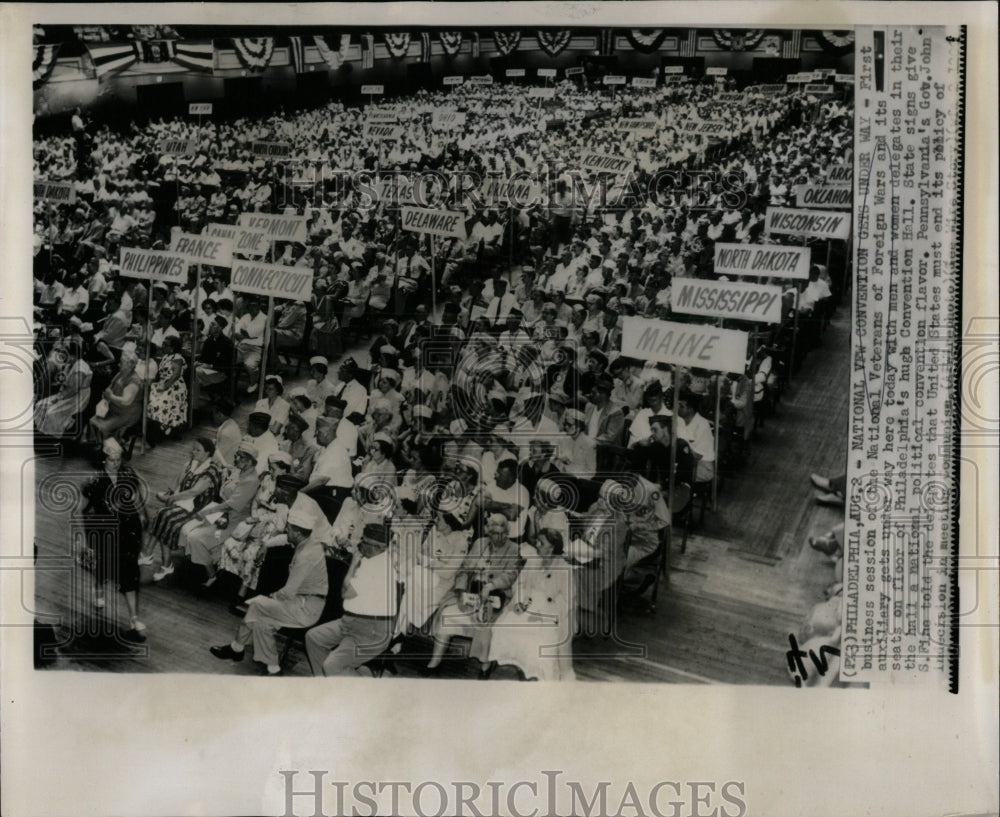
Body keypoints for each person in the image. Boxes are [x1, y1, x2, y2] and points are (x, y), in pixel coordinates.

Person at [211, 505, 328, 676]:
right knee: (261, 622)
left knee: (257, 604)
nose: (286, 531)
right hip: (301, 600)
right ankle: (273, 669)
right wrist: (266, 544)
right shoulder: (309, 540)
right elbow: (285, 539)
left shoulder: (306, 557)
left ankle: (236, 648)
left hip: (306, 608)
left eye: (288, 528)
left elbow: (288, 592)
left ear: (297, 532)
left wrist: (271, 597)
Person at [425, 514, 523, 678]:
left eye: (501, 533)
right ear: (488, 531)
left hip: (496, 597)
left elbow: (510, 576)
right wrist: (461, 591)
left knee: (487, 624)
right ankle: (435, 661)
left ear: (507, 533)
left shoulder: (513, 549)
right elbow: (464, 569)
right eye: (493, 533)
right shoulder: (479, 544)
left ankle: (485, 666)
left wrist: (491, 585)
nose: (497, 537)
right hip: (472, 592)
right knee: (447, 615)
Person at [157, 441, 260, 584]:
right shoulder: (239, 470)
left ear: (250, 461)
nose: (235, 459)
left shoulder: (251, 481)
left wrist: (208, 512)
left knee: (195, 537)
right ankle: (202, 560)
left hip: (233, 518)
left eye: (240, 457)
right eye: (236, 455)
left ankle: (211, 575)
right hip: (221, 511)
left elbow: (232, 505)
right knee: (188, 527)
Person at [304, 520, 397, 677]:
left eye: (364, 542)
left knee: (332, 665)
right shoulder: (373, 560)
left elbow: (345, 593)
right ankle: (325, 685)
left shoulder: (379, 567)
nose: (360, 544)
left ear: (378, 547)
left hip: (372, 633)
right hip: (352, 622)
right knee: (314, 638)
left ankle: (360, 690)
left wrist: (353, 564)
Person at [488, 523, 577, 681]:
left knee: (536, 643)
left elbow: (568, 601)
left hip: (551, 615)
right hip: (527, 607)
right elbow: (520, 584)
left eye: (541, 543)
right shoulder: (532, 562)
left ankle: (536, 675)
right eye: (537, 541)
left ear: (552, 548)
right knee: (503, 628)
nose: (537, 545)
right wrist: (519, 601)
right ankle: (522, 668)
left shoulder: (565, 569)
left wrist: (546, 615)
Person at [79, 437, 148, 641]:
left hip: (128, 530)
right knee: (102, 566)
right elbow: (78, 511)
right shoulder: (95, 481)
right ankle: (98, 589)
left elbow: (136, 496)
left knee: (129, 572)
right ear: (104, 459)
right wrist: (82, 539)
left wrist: (142, 514)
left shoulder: (128, 474)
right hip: (104, 531)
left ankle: (134, 618)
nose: (116, 464)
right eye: (112, 460)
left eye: (118, 460)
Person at [139, 437, 222, 568]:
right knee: (162, 515)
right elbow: (177, 483)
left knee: (165, 516)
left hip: (198, 508)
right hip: (183, 502)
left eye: (198, 450)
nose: (194, 452)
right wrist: (169, 494)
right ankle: (159, 560)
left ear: (207, 453)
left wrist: (172, 498)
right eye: (193, 449)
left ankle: (152, 556)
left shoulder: (212, 471)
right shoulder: (190, 464)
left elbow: (194, 491)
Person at [396, 510, 471, 635]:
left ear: (449, 523)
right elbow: (420, 553)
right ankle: (398, 635)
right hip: (424, 576)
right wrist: (428, 561)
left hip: (440, 584)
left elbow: (448, 573)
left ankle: (397, 634)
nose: (436, 521)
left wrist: (430, 562)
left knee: (409, 587)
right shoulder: (436, 534)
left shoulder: (460, 542)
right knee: (408, 588)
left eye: (440, 519)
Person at [88, 341, 143, 446]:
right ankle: (99, 446)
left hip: (126, 414)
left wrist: (111, 396)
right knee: (93, 421)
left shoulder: (134, 381)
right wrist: (106, 394)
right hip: (114, 409)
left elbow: (126, 401)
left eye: (121, 362)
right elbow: (111, 386)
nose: (118, 364)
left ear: (130, 364)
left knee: (101, 427)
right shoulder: (120, 374)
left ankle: (107, 449)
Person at [34, 338, 91, 438]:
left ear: (73, 356)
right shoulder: (70, 364)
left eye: (65, 353)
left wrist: (58, 398)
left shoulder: (80, 367)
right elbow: (63, 380)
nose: (62, 356)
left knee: (51, 412)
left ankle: (52, 436)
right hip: (67, 393)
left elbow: (73, 389)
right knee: (40, 405)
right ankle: (42, 432)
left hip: (76, 398)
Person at [145, 334, 188, 445]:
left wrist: (165, 387)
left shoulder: (177, 357)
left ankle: (163, 429)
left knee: (159, 404)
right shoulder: (166, 356)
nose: (162, 346)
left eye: (165, 344)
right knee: (151, 401)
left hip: (174, 386)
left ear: (172, 347)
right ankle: (160, 429)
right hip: (164, 384)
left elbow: (176, 374)